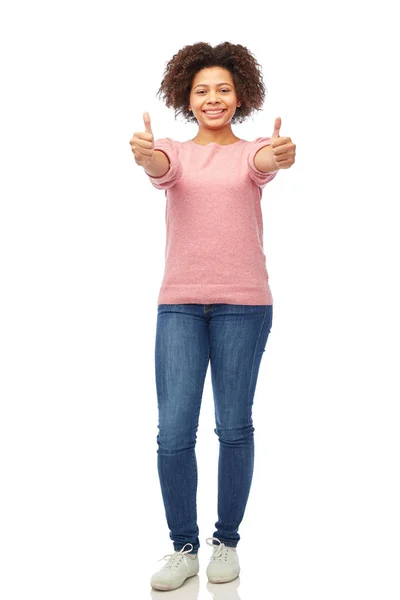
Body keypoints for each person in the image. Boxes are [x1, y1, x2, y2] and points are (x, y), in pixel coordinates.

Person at [129, 41, 296, 592]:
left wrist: (280, 153)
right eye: (202, 90)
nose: (213, 98)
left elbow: (267, 163)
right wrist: (144, 153)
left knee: (233, 426)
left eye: (223, 88)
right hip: (178, 305)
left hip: (244, 307)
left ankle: (226, 540)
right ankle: (183, 546)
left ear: (239, 95)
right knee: (173, 431)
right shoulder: (173, 151)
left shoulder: (253, 152)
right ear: (187, 96)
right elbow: (158, 166)